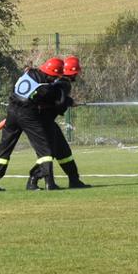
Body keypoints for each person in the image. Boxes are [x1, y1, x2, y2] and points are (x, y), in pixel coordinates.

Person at [0, 57, 64, 192]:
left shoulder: (28, 73)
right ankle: (49, 183)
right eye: (55, 77)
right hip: (28, 114)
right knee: (44, 149)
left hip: (11, 112)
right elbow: (54, 100)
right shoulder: (45, 87)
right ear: (51, 74)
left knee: (4, 148)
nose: (54, 80)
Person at [38, 54, 90, 190]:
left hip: (47, 122)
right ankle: (34, 179)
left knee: (64, 152)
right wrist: (70, 102)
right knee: (50, 153)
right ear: (73, 73)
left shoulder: (57, 82)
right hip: (45, 123)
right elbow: (59, 103)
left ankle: (74, 180)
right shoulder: (64, 84)